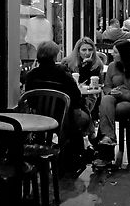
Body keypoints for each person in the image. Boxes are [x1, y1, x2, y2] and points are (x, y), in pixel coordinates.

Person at [25, 41, 91, 173]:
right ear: (55, 56)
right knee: (85, 115)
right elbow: (76, 96)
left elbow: (29, 99)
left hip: (39, 118)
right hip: (63, 118)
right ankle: (86, 146)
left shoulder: (32, 75)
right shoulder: (62, 74)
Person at [95, 40, 130, 164]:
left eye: (115, 52)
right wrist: (111, 91)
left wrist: (125, 94)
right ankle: (109, 137)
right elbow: (107, 87)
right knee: (106, 100)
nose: (112, 54)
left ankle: (104, 154)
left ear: (124, 54)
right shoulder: (112, 66)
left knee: (108, 111)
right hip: (115, 98)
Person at [61, 37, 104, 137]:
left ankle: (85, 136)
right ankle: (89, 134)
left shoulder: (97, 64)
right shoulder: (67, 63)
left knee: (87, 102)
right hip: (72, 96)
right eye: (84, 50)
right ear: (78, 51)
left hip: (90, 94)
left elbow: (93, 84)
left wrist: (86, 67)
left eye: (90, 49)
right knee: (79, 105)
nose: (87, 53)